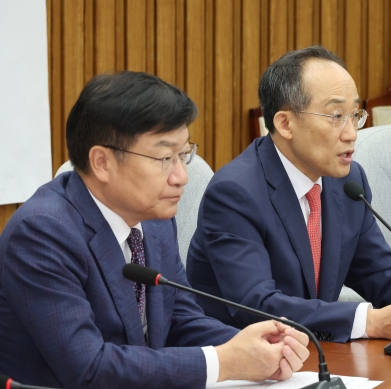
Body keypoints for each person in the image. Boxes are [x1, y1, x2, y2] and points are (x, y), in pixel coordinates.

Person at [0, 71, 309, 388]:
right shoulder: (41, 234)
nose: (181, 177)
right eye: (164, 158)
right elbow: (89, 369)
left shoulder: (154, 218)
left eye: (183, 155)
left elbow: (179, 320)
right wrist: (225, 361)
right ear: (102, 162)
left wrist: (257, 348)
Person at [186, 46, 391, 344]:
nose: (351, 133)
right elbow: (256, 304)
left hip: (316, 355)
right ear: (285, 123)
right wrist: (370, 321)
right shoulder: (235, 193)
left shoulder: (347, 181)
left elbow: (382, 275)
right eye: (336, 116)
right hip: (243, 364)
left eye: (355, 115)